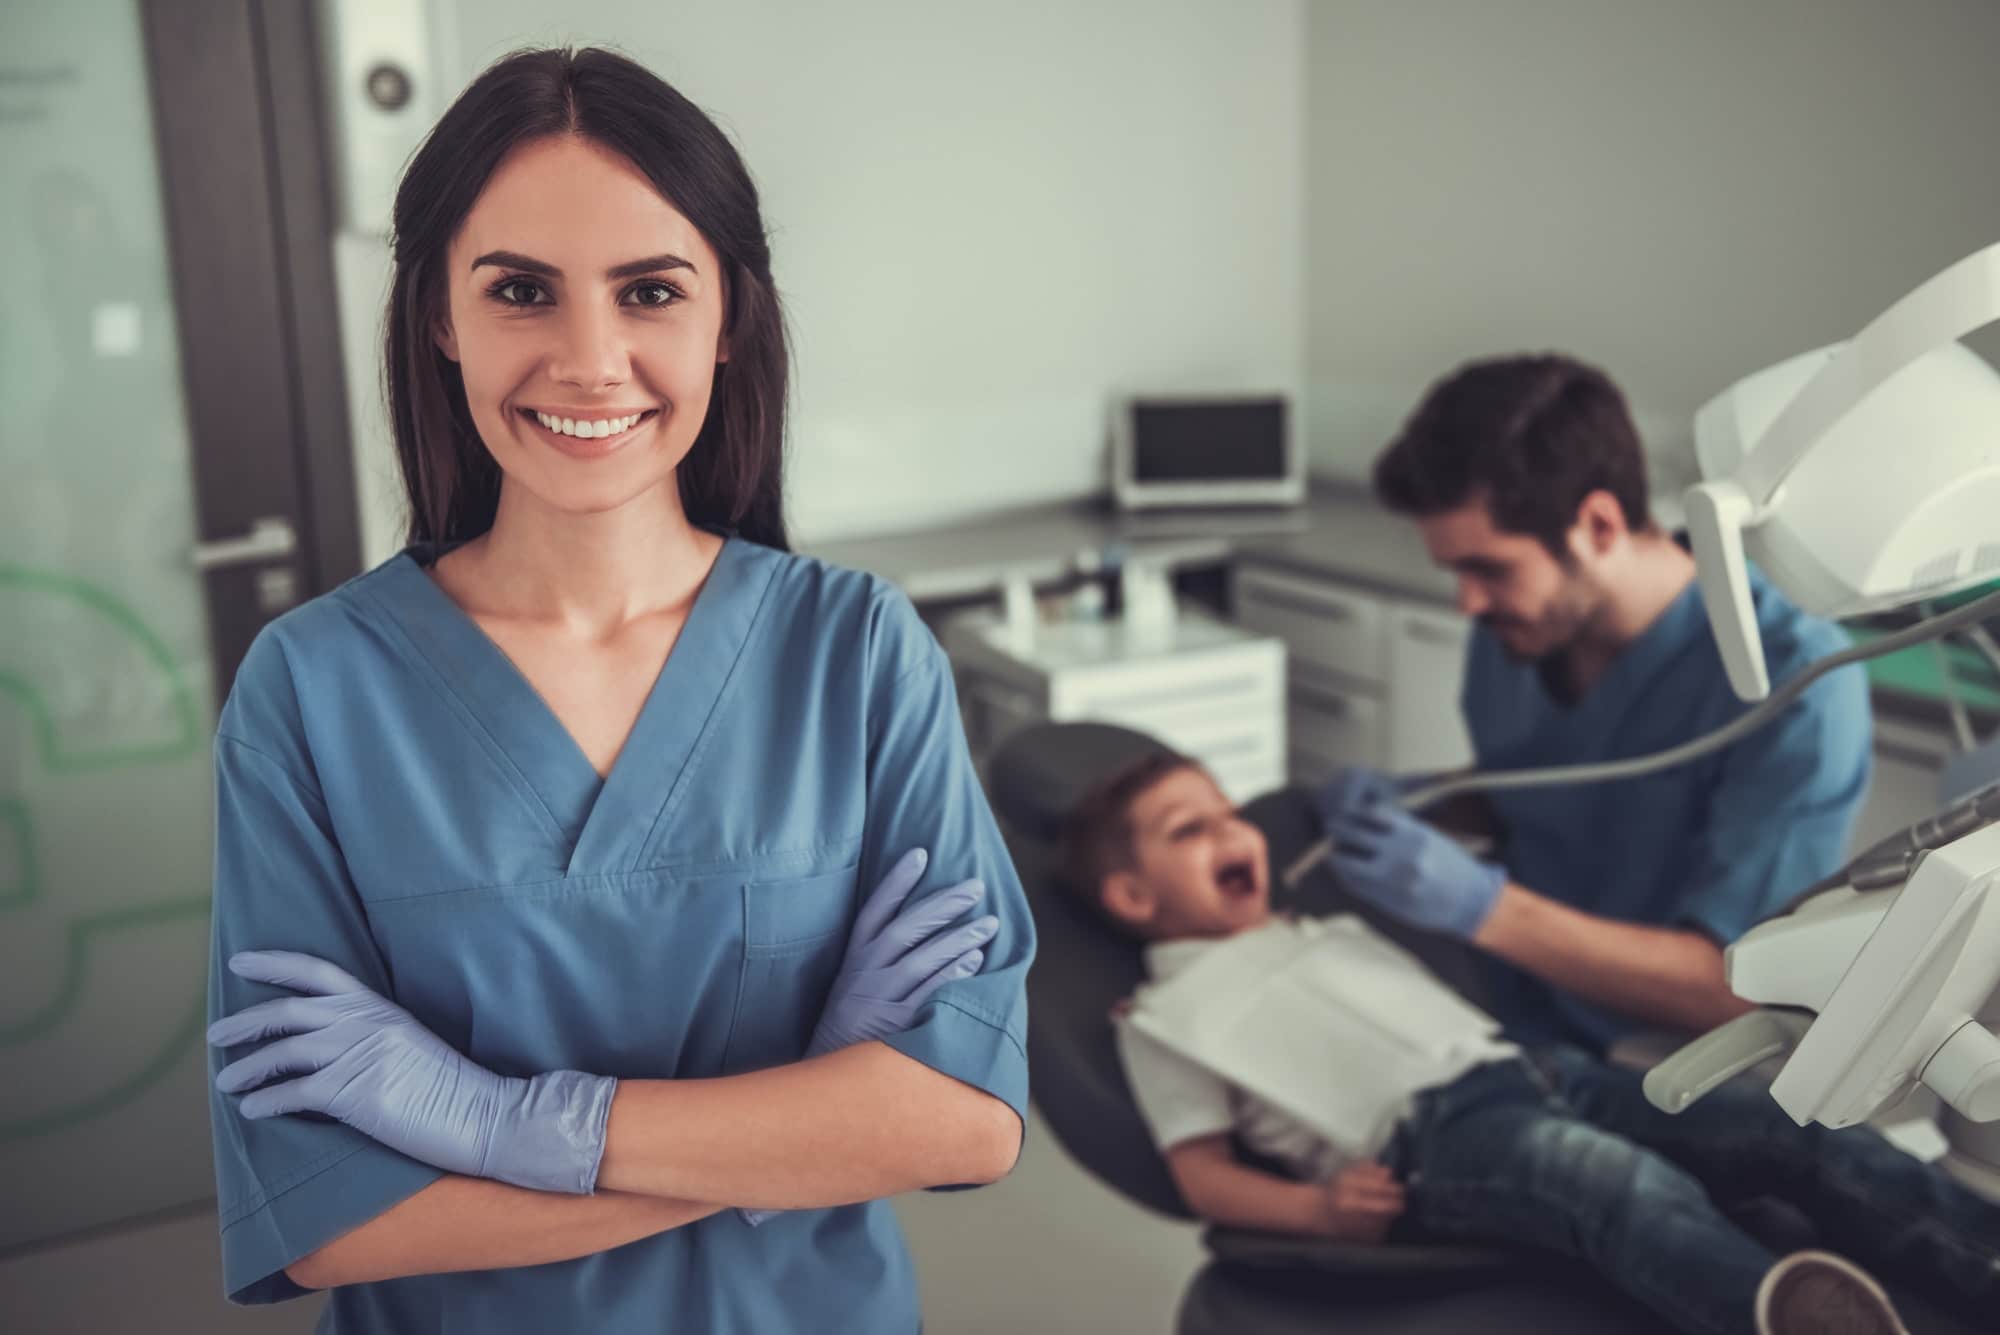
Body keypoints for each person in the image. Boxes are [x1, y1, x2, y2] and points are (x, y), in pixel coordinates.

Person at [202, 47, 1032, 1334]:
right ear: (440, 317)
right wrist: (805, 1117)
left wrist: (501, 1123)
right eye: (521, 291)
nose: (590, 360)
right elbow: (333, 1221)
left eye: (648, 290)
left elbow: (963, 1123)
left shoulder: (856, 652)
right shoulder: (311, 688)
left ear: (725, 316)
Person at [1073, 748, 1997, 1335]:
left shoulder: (1315, 928)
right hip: (1431, 1142)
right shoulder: (1163, 1019)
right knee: (1616, 1184)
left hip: (1537, 1066)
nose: (1231, 829)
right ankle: (1779, 1315)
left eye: (1228, 810)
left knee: (1783, 1124)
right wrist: (1318, 1213)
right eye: (1187, 829)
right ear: (1131, 900)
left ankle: (1980, 1256)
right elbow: (1199, 1174)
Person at [1318, 354, 1874, 1052]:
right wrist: (1426, 800)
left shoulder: (1797, 683)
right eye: (1454, 571)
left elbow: (1738, 989)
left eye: (1487, 567)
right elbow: (1555, 790)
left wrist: (1483, 907)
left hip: (1659, 1052)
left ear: (1600, 525)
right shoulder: (1519, 628)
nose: (1466, 602)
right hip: (1507, 998)